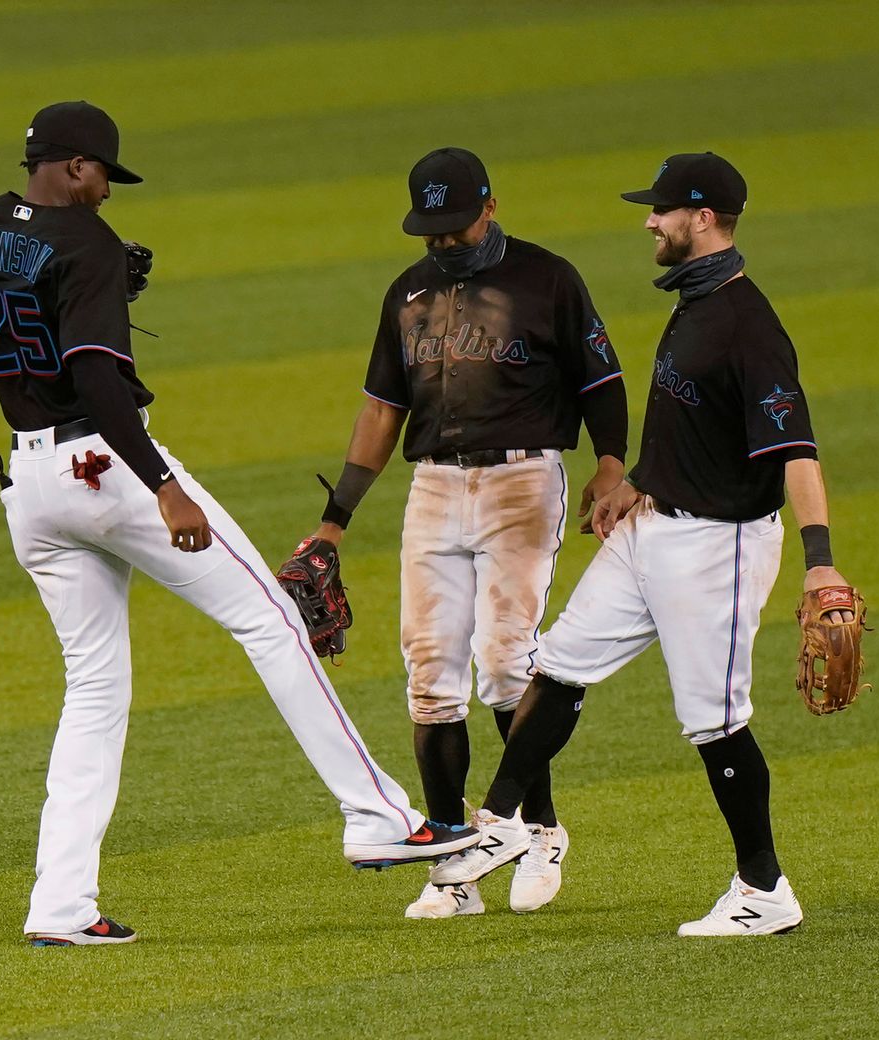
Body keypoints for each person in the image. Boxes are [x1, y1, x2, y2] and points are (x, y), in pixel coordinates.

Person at [0, 101, 476, 947]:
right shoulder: (85, 243)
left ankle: (60, 908)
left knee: (93, 691)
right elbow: (94, 374)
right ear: (77, 167)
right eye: (103, 179)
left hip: (30, 485)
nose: (105, 197)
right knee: (271, 619)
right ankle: (377, 815)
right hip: (106, 466)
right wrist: (163, 485)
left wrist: (21, 284)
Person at [430, 152, 857, 936]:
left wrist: (820, 557)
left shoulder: (748, 325)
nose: (648, 221)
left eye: (661, 211)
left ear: (702, 218)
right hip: (652, 527)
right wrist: (637, 482)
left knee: (714, 721)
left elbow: (796, 449)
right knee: (558, 665)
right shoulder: (696, 303)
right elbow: (693, 423)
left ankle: (764, 892)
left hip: (717, 548)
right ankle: (501, 821)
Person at [305, 147, 629, 919]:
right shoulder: (408, 292)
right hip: (434, 486)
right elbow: (383, 410)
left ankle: (538, 829)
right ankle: (454, 860)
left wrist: (612, 464)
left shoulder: (549, 278)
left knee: (508, 660)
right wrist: (334, 520)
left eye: (455, 227)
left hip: (523, 481)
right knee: (428, 673)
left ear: (490, 205)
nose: (444, 243)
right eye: (432, 232)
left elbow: (600, 381)